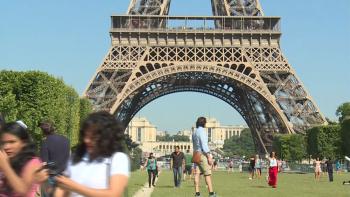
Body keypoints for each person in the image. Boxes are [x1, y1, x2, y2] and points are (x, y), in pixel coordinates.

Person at [54, 111, 130, 197]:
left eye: (92, 137)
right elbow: (62, 187)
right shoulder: (75, 157)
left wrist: (75, 187)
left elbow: (114, 194)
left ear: (106, 136)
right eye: (85, 136)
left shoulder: (118, 158)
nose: (87, 140)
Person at [0, 121, 48, 196]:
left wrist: (5, 166)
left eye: (12, 142)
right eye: (3, 143)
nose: (6, 147)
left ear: (23, 143)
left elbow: (22, 190)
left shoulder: (32, 162)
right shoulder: (8, 159)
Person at [192, 117, 217, 197]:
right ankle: (211, 194)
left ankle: (197, 193)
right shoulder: (202, 131)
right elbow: (204, 145)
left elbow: (194, 145)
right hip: (202, 155)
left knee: (197, 174)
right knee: (207, 174)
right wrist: (209, 156)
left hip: (196, 154)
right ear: (204, 123)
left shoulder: (194, 132)